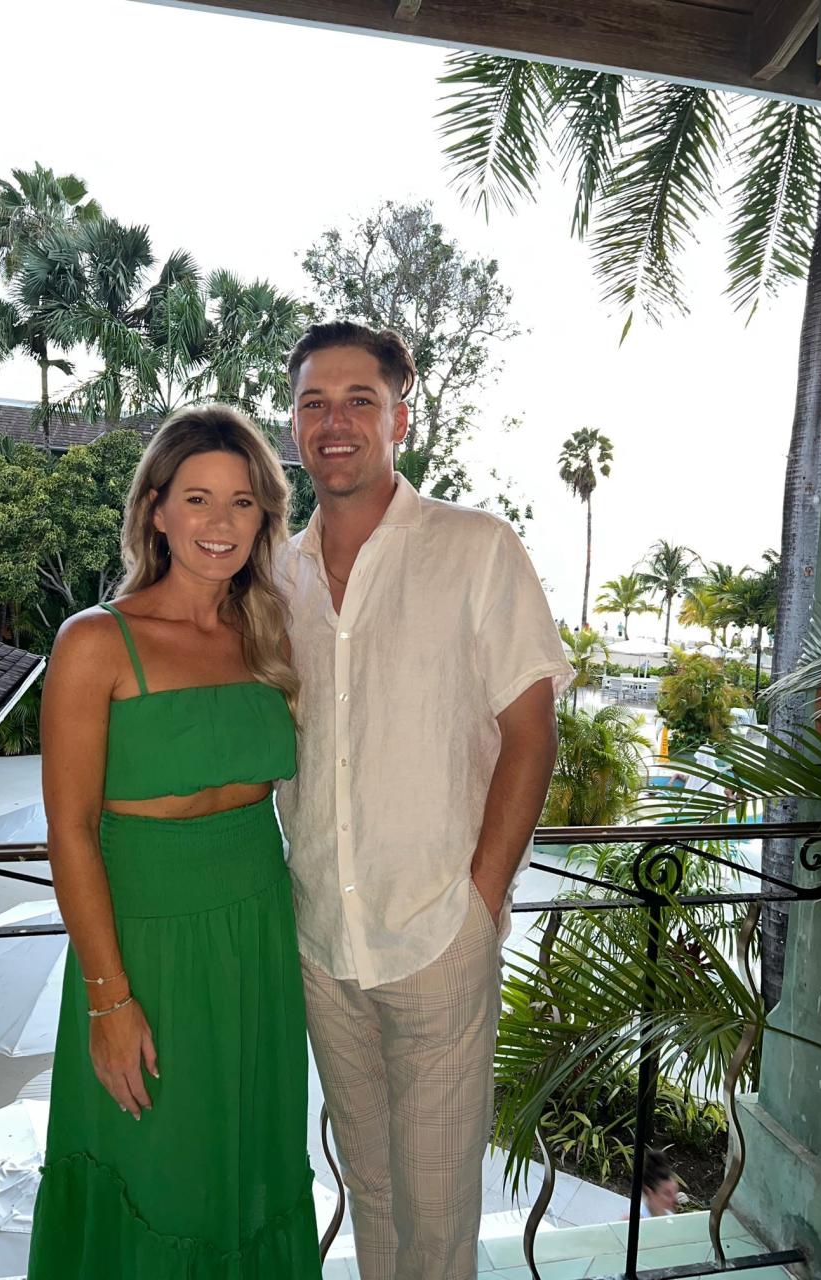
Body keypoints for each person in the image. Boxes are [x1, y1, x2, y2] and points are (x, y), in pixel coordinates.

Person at [276, 321, 574, 1280]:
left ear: (400, 417)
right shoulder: (272, 576)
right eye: (315, 402)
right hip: (322, 939)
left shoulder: (477, 548)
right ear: (293, 423)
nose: (336, 422)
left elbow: (532, 733)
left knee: (440, 1215)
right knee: (369, 1189)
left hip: (438, 933)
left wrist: (481, 900)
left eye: (359, 400)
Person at [27, 406, 322, 1279]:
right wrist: (109, 1001)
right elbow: (70, 832)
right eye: (198, 499)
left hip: (258, 947)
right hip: (149, 950)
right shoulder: (94, 642)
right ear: (156, 510)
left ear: (264, 518)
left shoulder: (266, 634)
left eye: (242, 504)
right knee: (160, 1170)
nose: (220, 524)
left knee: (245, 1165)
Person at [640, 1149, 680, 1217]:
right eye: (667, 1194)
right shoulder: (632, 1221)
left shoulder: (669, 1216)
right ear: (650, 1192)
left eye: (675, 1192)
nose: (674, 1199)